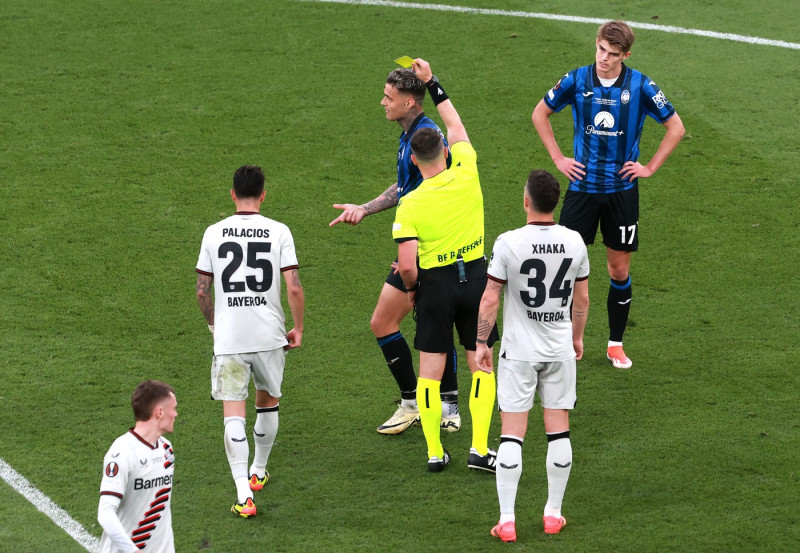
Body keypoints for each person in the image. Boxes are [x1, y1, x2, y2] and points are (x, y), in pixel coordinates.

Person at [532, 20, 684, 369]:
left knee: (618, 270)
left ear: (624, 55)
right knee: (565, 268)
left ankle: (615, 343)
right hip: (582, 190)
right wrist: (558, 157)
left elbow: (676, 127)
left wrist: (649, 167)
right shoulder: (575, 80)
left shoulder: (642, 86)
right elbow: (540, 113)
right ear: (596, 44)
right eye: (601, 49)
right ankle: (561, 341)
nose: (604, 58)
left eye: (613, 54)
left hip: (621, 193)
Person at [330, 67, 462, 436]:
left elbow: (443, 195)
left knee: (406, 323)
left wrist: (416, 254)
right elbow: (407, 185)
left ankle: (432, 405)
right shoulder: (412, 135)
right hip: (422, 246)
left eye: (388, 97)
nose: (382, 102)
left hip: (433, 249)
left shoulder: (428, 136)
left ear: (409, 102)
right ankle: (433, 404)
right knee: (420, 324)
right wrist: (366, 207)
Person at [393, 58, 498, 473]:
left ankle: (436, 452)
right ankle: (479, 449)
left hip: (435, 286)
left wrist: (416, 292)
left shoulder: (411, 202)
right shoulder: (467, 171)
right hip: (475, 280)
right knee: (481, 362)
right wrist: (432, 82)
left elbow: (405, 266)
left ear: (415, 163)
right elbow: (456, 125)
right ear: (447, 152)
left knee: (430, 373)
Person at [476, 170, 590, 542]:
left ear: (526, 201)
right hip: (559, 349)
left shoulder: (509, 243)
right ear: (554, 202)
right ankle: (553, 514)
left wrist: (482, 343)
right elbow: (582, 300)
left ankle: (507, 520)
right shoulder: (575, 242)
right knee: (559, 430)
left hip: (519, 353)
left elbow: (491, 297)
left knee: (512, 435)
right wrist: (577, 339)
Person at [195, 165, 305, 518]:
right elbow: (294, 286)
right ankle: (258, 470)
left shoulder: (214, 233)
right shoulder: (279, 231)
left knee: (233, 414)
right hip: (270, 335)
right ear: (263, 195)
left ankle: (244, 495)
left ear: (232, 194)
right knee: (267, 404)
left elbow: (201, 290)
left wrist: (214, 326)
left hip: (230, 339)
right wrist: (298, 328)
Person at [98, 380, 178, 553]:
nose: (176, 414)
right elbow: (105, 513)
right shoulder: (122, 453)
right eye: (173, 408)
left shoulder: (166, 449)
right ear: (160, 412)